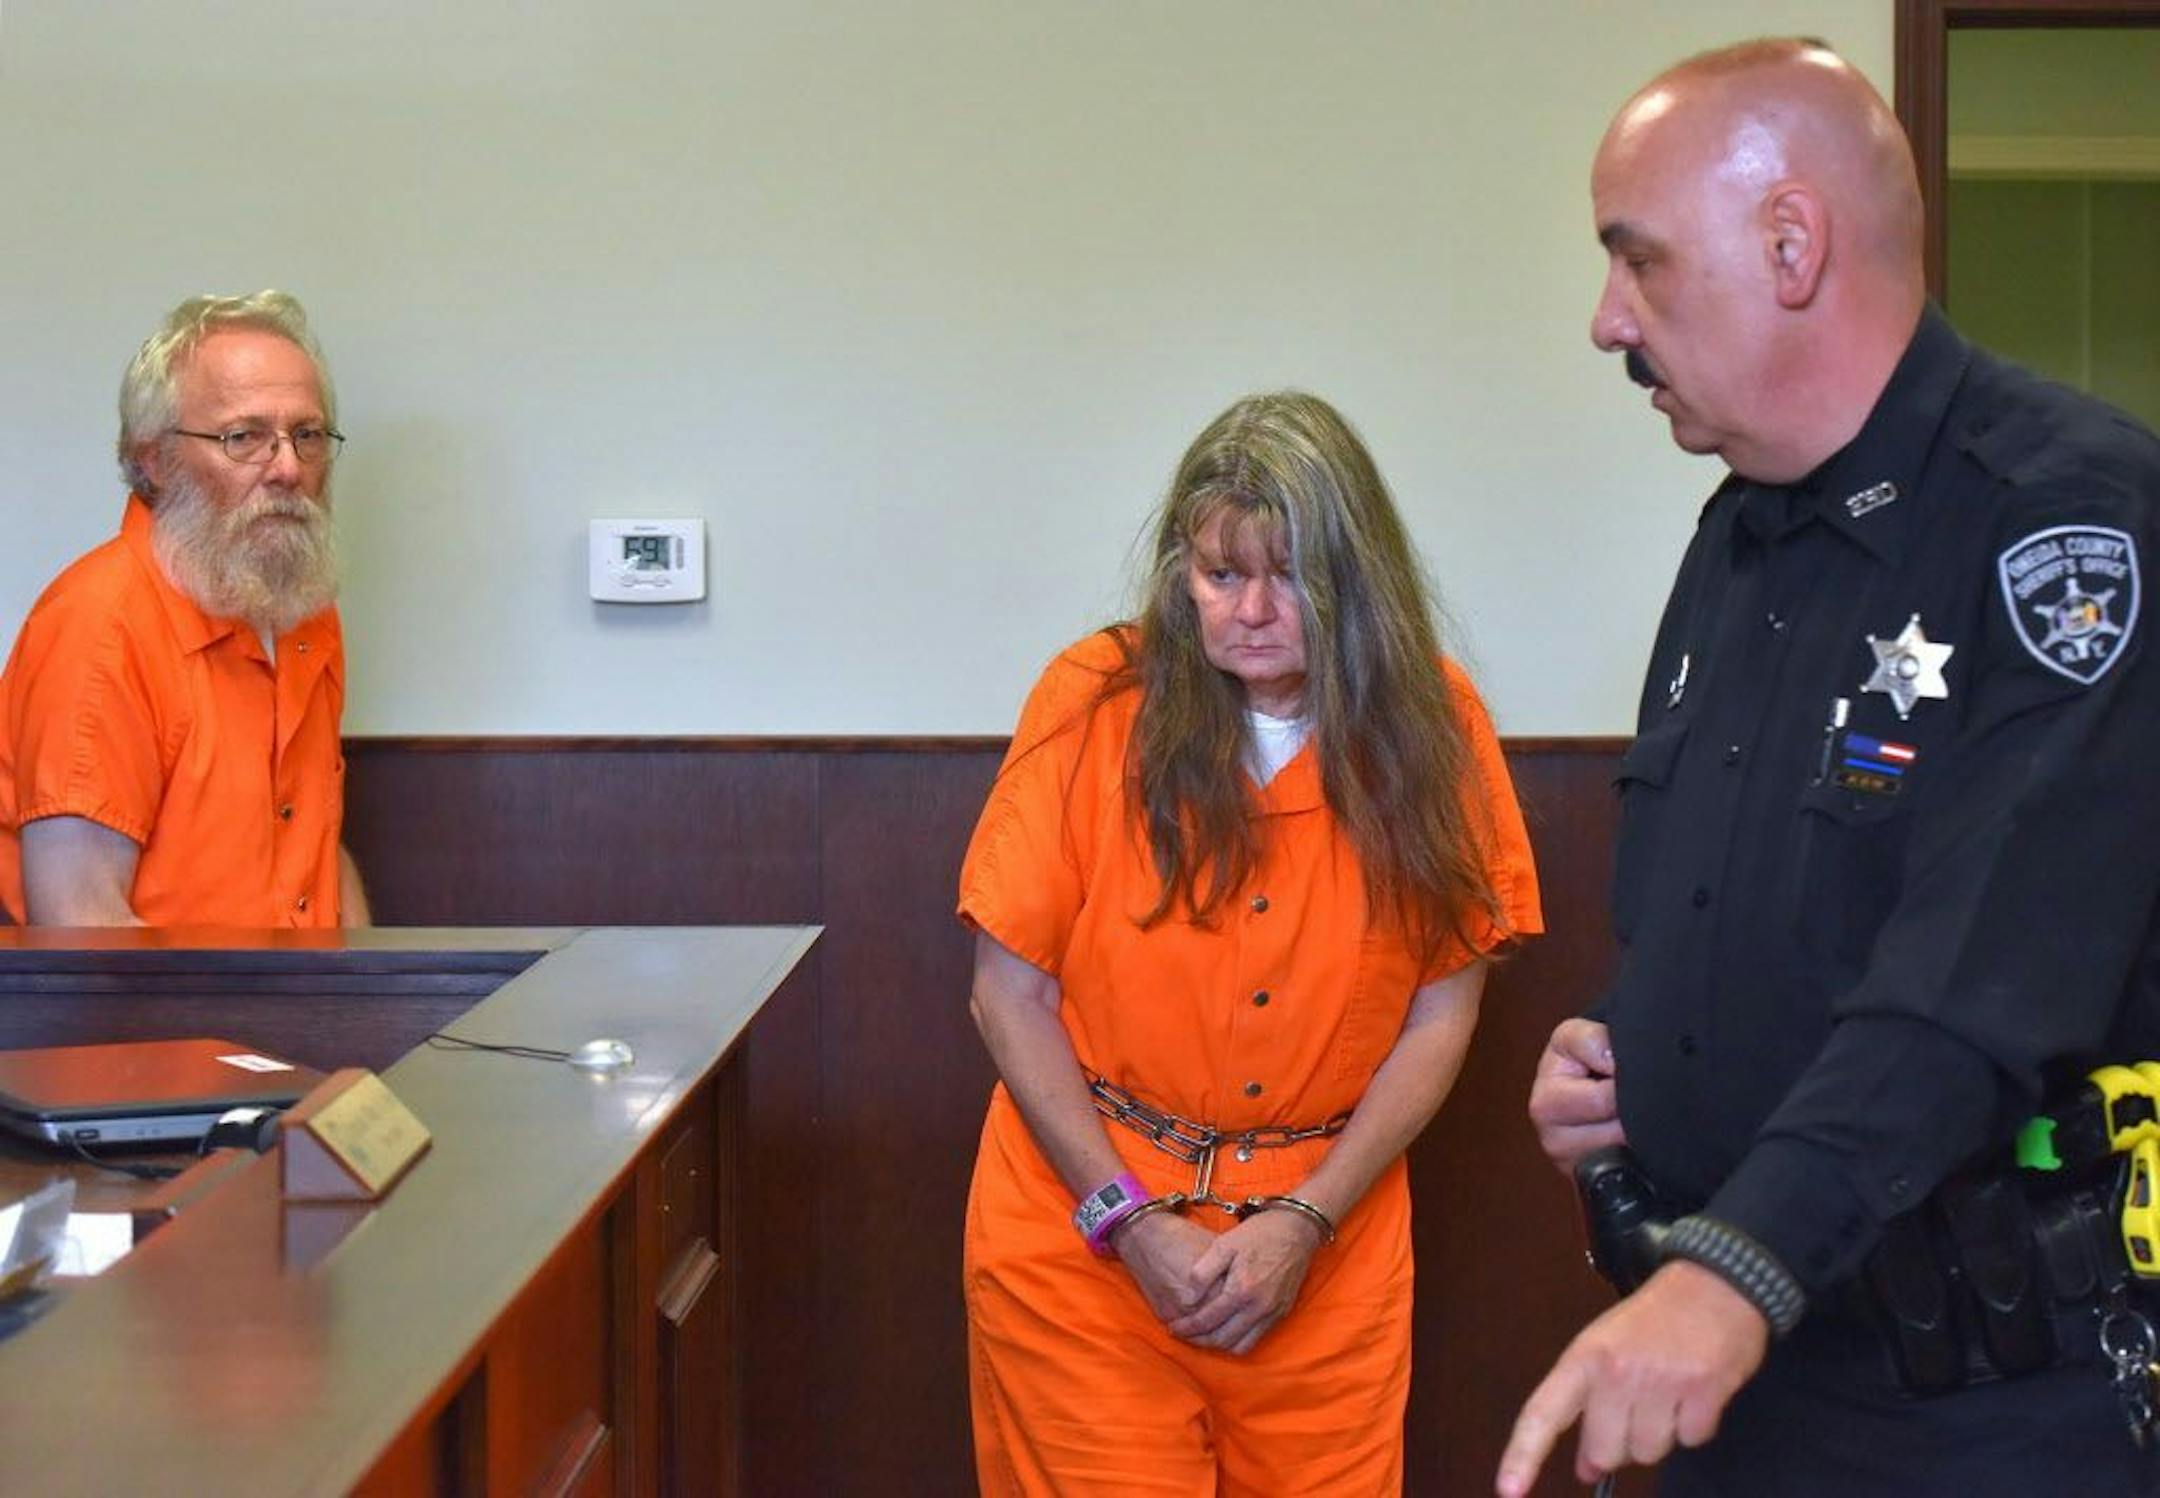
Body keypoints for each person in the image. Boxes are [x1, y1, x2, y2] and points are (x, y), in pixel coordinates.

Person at [1498, 38, 2160, 1498]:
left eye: (1639, 261)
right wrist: (1623, 1054)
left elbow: (1977, 980)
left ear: (1791, 245)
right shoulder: (1741, 534)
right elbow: (1737, 905)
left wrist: (1734, 1268)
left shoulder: (2062, 522)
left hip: (1983, 1414)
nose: (1609, 320)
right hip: (1748, 1375)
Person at [958, 390, 1542, 1493]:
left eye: (1293, 577)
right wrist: (1130, 1223)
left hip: (1323, 1241)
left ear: (1356, 579)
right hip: (1086, 1237)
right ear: (1181, 573)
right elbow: (1008, 996)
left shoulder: (1437, 720)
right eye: (1223, 575)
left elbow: (1442, 1010)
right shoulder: (1093, 700)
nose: (1255, 611)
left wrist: (1307, 1219)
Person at [0, 290, 369, 927]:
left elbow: (316, 850)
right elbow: (81, 927)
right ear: (155, 460)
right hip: (167, 1000)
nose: (287, 467)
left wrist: (374, 985)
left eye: (306, 435)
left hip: (304, 993)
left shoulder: (300, 605)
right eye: (244, 437)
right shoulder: (100, 626)